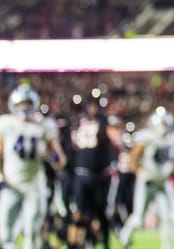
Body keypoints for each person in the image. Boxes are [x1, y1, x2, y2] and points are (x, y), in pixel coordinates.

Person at [0, 83, 66, 249]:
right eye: (21, 104)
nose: (24, 108)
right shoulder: (6, 124)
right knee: (4, 231)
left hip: (34, 185)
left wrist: (53, 156)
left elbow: (59, 159)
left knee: (32, 230)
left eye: (27, 104)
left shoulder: (44, 126)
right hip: (11, 183)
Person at [119, 107, 174, 249]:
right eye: (161, 124)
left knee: (167, 217)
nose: (163, 128)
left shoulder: (172, 138)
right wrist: (141, 173)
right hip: (146, 182)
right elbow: (133, 158)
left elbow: (173, 159)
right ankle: (125, 237)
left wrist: (172, 171)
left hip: (162, 182)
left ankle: (167, 247)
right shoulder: (147, 137)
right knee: (139, 216)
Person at [67, 92, 122, 249]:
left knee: (99, 213)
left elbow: (116, 141)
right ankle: (75, 244)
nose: (93, 108)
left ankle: (102, 243)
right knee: (79, 213)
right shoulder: (79, 122)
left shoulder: (103, 122)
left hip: (98, 175)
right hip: (82, 173)